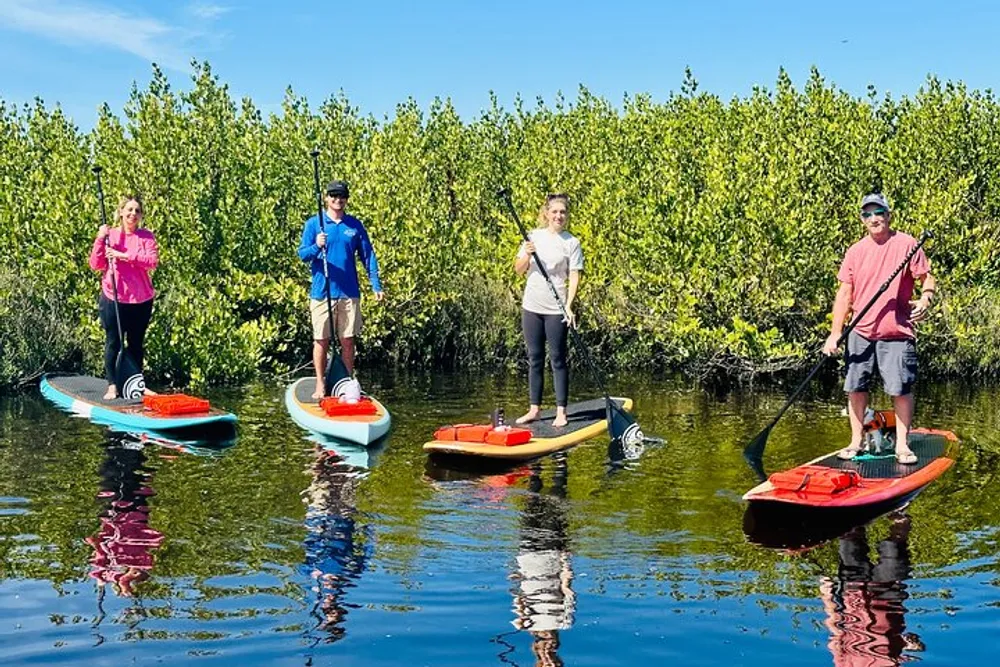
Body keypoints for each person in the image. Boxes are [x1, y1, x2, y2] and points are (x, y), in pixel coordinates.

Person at [822, 193, 936, 464]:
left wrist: (926, 298)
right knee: (855, 387)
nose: (874, 218)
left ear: (888, 214)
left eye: (878, 212)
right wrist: (835, 332)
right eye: (867, 214)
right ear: (862, 220)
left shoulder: (907, 244)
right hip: (860, 332)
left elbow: (926, 277)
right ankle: (855, 441)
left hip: (896, 332)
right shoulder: (855, 251)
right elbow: (845, 294)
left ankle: (902, 445)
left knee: (899, 388)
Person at [298, 180, 383, 399]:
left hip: (349, 293)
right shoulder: (313, 225)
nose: (338, 200)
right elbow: (303, 255)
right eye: (333, 196)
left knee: (348, 340)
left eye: (342, 196)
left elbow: (368, 255)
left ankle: (346, 384)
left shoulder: (354, 226)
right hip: (322, 293)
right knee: (321, 340)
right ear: (326, 198)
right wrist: (316, 245)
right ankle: (320, 384)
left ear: (346, 199)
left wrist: (376, 284)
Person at [514, 194, 584, 428]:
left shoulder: (571, 242)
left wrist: (569, 305)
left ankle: (561, 411)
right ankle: (534, 409)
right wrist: (527, 253)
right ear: (546, 214)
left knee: (558, 359)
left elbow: (574, 275)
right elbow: (518, 270)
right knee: (534, 359)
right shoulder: (533, 237)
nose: (558, 216)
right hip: (531, 305)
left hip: (556, 309)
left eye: (562, 212)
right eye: (554, 212)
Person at [88, 195, 159, 400]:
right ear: (121, 212)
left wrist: (124, 256)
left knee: (136, 343)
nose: (132, 214)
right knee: (114, 343)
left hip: (141, 300)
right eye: (129, 210)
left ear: (141, 215)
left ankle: (138, 384)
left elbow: (151, 261)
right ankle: (112, 386)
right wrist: (100, 238)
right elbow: (96, 264)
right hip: (114, 298)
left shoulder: (146, 237)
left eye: (137, 211)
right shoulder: (110, 235)